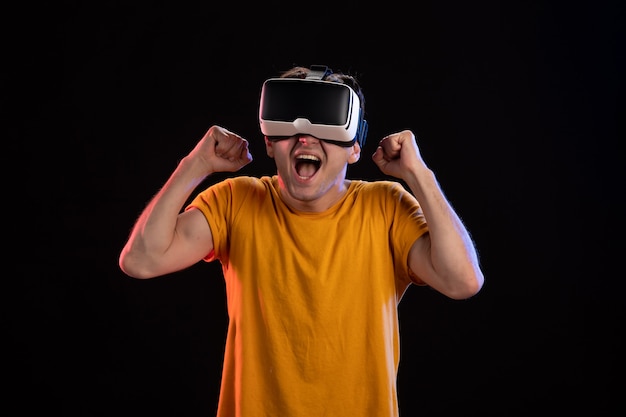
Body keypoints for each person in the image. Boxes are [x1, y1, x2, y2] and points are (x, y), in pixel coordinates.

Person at [119, 64, 484, 417]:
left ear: (355, 148)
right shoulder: (235, 201)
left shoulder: (386, 208)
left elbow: (462, 281)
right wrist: (194, 165)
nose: (305, 136)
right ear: (270, 143)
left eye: (325, 122)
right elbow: (141, 260)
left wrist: (419, 174)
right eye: (290, 124)